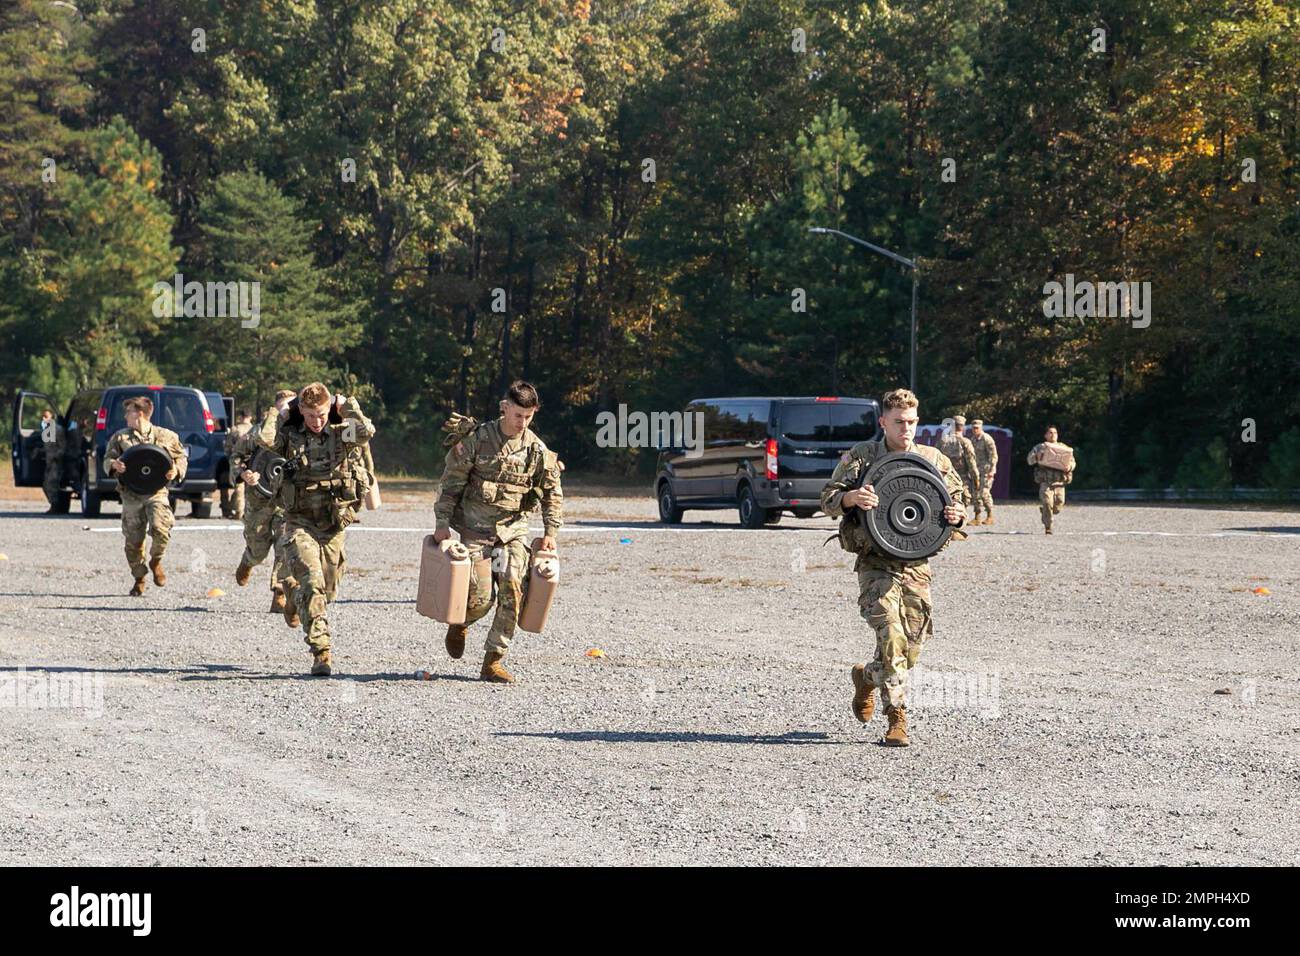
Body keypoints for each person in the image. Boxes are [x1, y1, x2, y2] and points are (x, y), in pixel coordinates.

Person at [820, 388, 966, 747]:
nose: (907, 429)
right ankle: (897, 718)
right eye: (899, 422)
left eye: (912, 422)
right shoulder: (862, 456)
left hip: (916, 564)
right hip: (875, 562)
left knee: (911, 649)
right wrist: (850, 498)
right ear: (883, 421)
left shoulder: (932, 460)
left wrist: (957, 514)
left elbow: (958, 502)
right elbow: (827, 499)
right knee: (891, 635)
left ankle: (867, 678)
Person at [432, 381, 564, 684]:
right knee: (481, 598)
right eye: (518, 415)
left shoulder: (536, 449)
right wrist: (442, 524)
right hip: (476, 531)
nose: (523, 422)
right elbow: (451, 483)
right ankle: (461, 623)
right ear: (504, 407)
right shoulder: (479, 440)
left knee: (513, 590)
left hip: (513, 533)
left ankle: (493, 661)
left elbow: (552, 492)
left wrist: (550, 532)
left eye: (529, 416)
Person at [258, 383, 375, 676]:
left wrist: (347, 405)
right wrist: (280, 412)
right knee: (312, 583)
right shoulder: (290, 435)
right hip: (300, 522)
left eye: (321, 414)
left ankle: (294, 596)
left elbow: (365, 432)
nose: (316, 421)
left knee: (329, 589)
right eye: (310, 415)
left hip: (333, 523)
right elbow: (265, 439)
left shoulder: (340, 433)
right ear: (302, 412)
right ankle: (321, 652)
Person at [103, 396, 189, 596]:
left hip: (156, 491)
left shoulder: (165, 436)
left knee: (161, 528)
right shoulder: (120, 437)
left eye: (128, 412)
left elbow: (181, 457)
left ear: (139, 413)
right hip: (131, 494)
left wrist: (176, 470)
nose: (125, 416)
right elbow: (107, 459)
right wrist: (113, 465)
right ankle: (139, 577)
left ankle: (156, 560)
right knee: (133, 540)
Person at [233, 391, 296, 617]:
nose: (286, 412)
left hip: (285, 502)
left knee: (285, 545)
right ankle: (248, 560)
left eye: (290, 407)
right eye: (282, 408)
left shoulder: (298, 433)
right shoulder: (254, 433)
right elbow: (236, 458)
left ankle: (279, 593)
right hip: (258, 499)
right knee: (258, 549)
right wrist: (244, 474)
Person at [1027, 426, 1075, 534]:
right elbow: (1029, 461)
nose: (1053, 434)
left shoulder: (1064, 448)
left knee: (1058, 506)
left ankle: (1045, 511)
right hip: (1046, 482)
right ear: (1046, 435)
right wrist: (1036, 456)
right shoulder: (1039, 447)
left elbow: (1073, 462)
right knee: (1047, 503)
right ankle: (1048, 527)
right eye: (1050, 432)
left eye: (1055, 432)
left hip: (1059, 482)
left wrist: (1070, 467)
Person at [936, 414, 978, 521]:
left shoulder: (943, 441)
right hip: (962, 478)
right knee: (962, 501)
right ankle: (957, 526)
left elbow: (935, 458)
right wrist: (976, 478)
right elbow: (971, 463)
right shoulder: (965, 442)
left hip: (944, 477)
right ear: (962, 427)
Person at [221, 409, 254, 519]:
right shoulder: (255, 429)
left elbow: (228, 447)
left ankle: (239, 511)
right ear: (250, 417)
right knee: (252, 486)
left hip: (237, 460)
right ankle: (248, 510)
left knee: (238, 486)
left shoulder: (235, 430)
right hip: (253, 461)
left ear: (240, 417)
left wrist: (230, 458)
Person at [968, 418, 998, 525]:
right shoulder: (972, 440)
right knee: (975, 493)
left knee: (984, 493)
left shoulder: (987, 439)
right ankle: (977, 517)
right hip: (976, 471)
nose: (975, 430)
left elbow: (993, 455)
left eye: (977, 428)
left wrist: (992, 470)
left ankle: (990, 515)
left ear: (981, 428)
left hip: (986, 471)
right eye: (973, 428)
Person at [39, 409, 66, 513]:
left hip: (55, 462)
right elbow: (47, 447)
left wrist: (56, 457)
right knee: (46, 484)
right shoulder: (47, 430)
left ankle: (55, 506)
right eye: (43, 416)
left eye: (46, 416)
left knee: (52, 484)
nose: (44, 419)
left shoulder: (58, 430)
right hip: (49, 461)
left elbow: (62, 447)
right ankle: (53, 504)